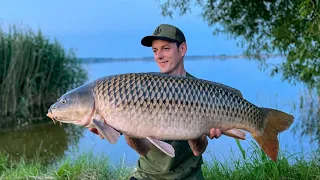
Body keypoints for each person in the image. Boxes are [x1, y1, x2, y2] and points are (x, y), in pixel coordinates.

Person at [89, 24, 222, 180]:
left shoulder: (201, 91)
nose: (159, 56)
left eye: (165, 48)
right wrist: (124, 127)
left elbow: (197, 151)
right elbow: (143, 150)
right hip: (147, 176)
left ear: (182, 49)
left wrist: (199, 132)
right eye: (155, 50)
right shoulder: (139, 89)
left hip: (188, 177)